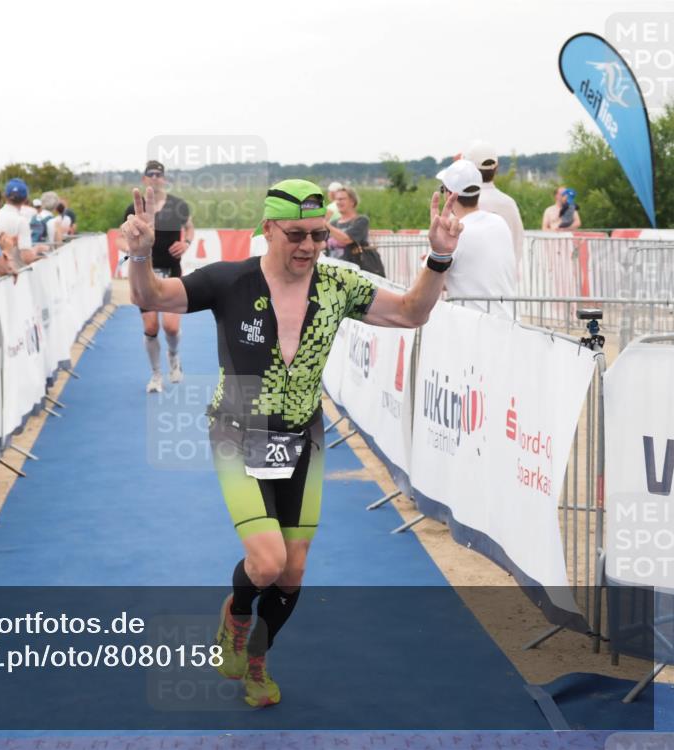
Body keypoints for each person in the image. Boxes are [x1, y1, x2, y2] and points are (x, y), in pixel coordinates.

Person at [122, 178, 463, 708]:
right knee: (265, 563)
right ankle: (234, 618)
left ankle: (258, 658)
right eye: (297, 234)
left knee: (294, 570)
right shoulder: (228, 280)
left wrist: (439, 257)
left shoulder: (337, 285)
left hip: (303, 436)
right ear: (267, 230)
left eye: (319, 235)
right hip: (236, 431)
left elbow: (411, 313)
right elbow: (148, 296)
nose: (309, 246)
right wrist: (140, 257)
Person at [116, 160, 194, 393]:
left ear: (164, 178)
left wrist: (186, 243)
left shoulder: (179, 205)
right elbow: (120, 238)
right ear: (144, 179)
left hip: (171, 273)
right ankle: (156, 375)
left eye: (158, 175)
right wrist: (131, 248)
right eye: (150, 174)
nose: (155, 178)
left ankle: (174, 356)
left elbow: (189, 227)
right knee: (151, 327)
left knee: (170, 327)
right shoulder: (134, 209)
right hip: (144, 273)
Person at [434, 160, 517, 317]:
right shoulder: (499, 222)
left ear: (449, 195)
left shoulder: (454, 234)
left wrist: (435, 257)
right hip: (509, 322)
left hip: (475, 328)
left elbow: (425, 286)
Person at [463, 141, 524, 274]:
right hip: (505, 283)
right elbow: (518, 243)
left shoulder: (463, 202)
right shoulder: (509, 203)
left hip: (472, 285)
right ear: (496, 168)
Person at [0, 178, 42, 267]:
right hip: (16, 273)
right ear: (25, 198)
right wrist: (38, 249)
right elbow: (26, 257)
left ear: (5, 196)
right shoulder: (21, 221)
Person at [324, 185, 370, 263]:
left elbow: (346, 239)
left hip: (354, 268)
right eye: (336, 199)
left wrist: (324, 223)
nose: (338, 202)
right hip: (333, 269)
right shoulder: (333, 223)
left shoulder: (361, 220)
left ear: (352, 201)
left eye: (342, 199)